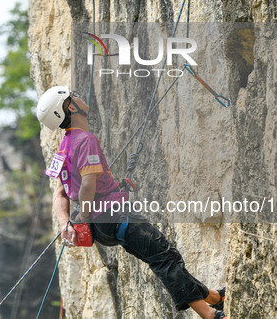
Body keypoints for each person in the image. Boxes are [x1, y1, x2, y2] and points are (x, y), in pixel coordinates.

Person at [36, 86, 227, 319]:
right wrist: (84, 214)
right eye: (72, 96)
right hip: (113, 215)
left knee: (160, 255)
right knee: (163, 256)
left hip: (102, 227)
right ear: (69, 107)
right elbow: (88, 184)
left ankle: (215, 298)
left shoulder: (62, 149)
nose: (78, 95)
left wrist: (67, 223)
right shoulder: (85, 140)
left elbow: (60, 193)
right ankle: (210, 315)